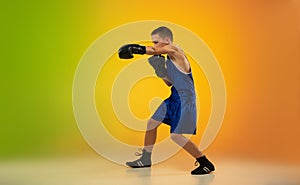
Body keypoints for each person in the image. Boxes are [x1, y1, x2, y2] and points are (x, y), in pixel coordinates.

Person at [118, 26, 215, 175]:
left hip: (185, 99)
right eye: (153, 42)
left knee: (176, 136)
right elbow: (169, 83)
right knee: (151, 123)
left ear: (167, 40)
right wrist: (160, 70)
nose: (155, 45)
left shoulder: (176, 50)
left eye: (156, 42)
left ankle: (205, 162)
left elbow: (152, 50)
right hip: (174, 96)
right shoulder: (170, 58)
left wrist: (135, 49)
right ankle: (145, 159)